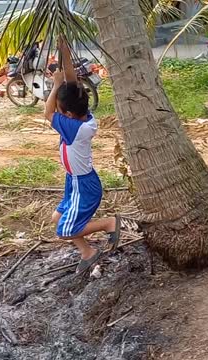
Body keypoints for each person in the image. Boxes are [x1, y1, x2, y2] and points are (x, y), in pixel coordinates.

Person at [44, 37, 121, 274]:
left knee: (64, 230)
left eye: (60, 107)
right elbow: (72, 80)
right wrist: (64, 49)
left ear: (66, 113)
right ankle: (88, 252)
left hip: (83, 185)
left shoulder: (73, 128)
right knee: (58, 218)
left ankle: (110, 224)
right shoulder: (83, 117)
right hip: (75, 182)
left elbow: (47, 113)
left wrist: (55, 86)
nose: (57, 109)